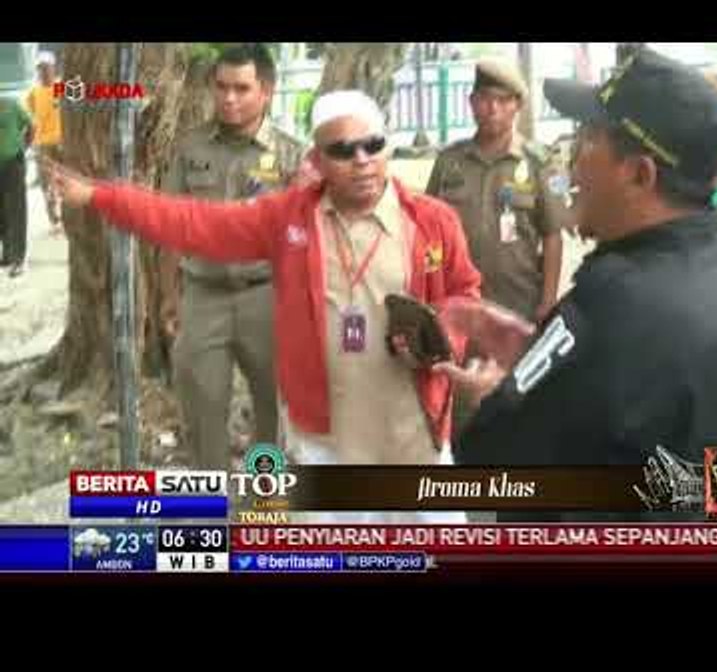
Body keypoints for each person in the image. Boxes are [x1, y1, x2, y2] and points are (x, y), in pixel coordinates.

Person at [46, 89, 481, 523]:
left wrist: (446, 342)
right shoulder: (288, 219)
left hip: (413, 436)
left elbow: (465, 295)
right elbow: (193, 223)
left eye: (373, 145)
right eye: (343, 150)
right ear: (318, 159)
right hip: (326, 445)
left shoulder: (432, 220)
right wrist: (101, 198)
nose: (362, 160)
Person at [437, 49, 717, 521]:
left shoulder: (611, 301)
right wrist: (538, 353)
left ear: (639, 174)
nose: (573, 163)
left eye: (588, 138)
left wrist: (491, 393)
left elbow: (489, 454)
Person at [158, 44, 304, 470]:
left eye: (241, 88)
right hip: (203, 296)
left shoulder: (291, 155)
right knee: (202, 408)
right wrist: (169, 294)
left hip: (267, 296)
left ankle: (264, 495)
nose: (229, 98)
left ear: (266, 90)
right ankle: (213, 500)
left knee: (272, 408)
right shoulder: (190, 149)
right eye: (221, 87)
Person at [425, 59, 566, 324]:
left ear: (518, 106)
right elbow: (428, 232)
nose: (493, 109)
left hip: (518, 305)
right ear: (471, 102)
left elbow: (553, 235)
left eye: (503, 100)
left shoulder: (541, 162)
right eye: (485, 99)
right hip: (458, 302)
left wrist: (548, 301)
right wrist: (431, 290)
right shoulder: (448, 162)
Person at [25, 51, 63, 234]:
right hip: (43, 144)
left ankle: (67, 218)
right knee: (46, 184)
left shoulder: (63, 87)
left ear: (54, 68)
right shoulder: (33, 92)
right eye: (40, 68)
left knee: (66, 180)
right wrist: (32, 142)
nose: (44, 71)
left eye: (47, 67)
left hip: (63, 142)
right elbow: (29, 117)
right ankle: (54, 221)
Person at [0, 95, 34, 277]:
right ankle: (7, 255)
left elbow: (31, 125)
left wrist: (24, 147)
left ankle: (18, 260)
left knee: (16, 211)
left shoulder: (11, 105)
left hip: (13, 163)